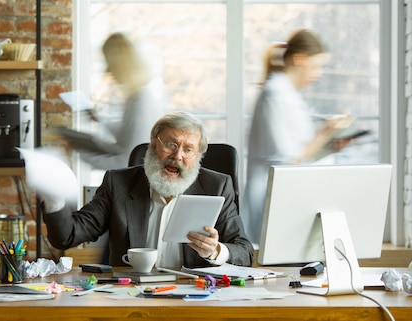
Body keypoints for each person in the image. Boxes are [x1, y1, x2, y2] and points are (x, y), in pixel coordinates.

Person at [40, 111, 254, 268]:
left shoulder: (217, 187)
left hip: (195, 298)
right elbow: (66, 237)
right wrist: (53, 197)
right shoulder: (119, 184)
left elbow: (245, 251)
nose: (178, 156)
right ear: (153, 144)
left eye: (188, 150)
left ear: (198, 157)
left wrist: (216, 251)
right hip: (133, 298)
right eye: (170, 144)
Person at [241, 29, 349, 244]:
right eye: (317, 65)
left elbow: (301, 152)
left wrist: (329, 146)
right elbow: (288, 158)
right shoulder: (275, 95)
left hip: (289, 194)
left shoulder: (288, 94)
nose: (319, 74)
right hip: (271, 195)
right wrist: (324, 134)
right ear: (300, 59)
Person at [62, 32, 166, 171]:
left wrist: (79, 153)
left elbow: (126, 162)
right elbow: (127, 136)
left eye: (110, 64)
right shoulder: (136, 97)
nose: (108, 71)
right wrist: (98, 121)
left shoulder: (141, 103)